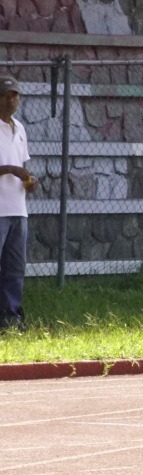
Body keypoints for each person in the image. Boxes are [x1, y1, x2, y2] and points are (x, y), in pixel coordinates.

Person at [0, 74, 37, 332]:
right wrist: (11, 169)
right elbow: (14, 167)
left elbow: (22, 166)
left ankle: (11, 319)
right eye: (5, 95)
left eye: (15, 95)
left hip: (18, 210)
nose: (11, 100)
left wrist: (30, 182)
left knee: (15, 269)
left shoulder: (20, 128)